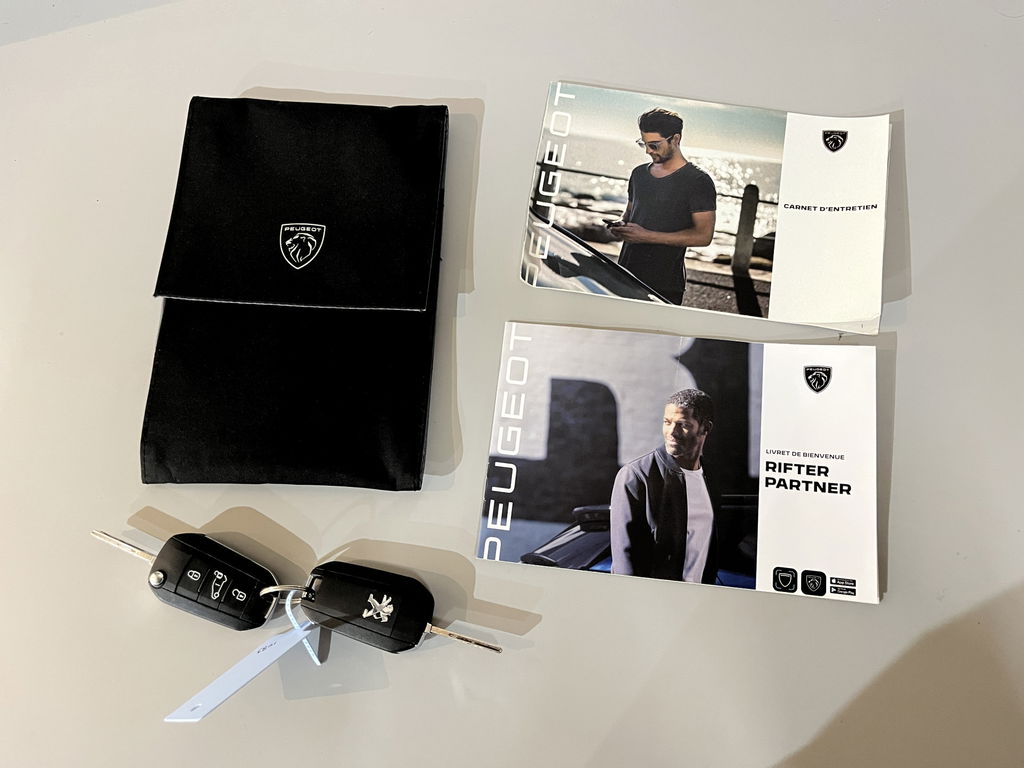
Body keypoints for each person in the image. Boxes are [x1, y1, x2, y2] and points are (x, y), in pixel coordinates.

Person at [607, 108, 717, 305]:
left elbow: (703, 236)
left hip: (664, 285)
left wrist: (646, 236)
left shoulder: (698, 181)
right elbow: (630, 213)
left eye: (654, 145)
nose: (648, 150)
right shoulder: (638, 174)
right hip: (624, 275)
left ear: (675, 139)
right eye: (644, 144)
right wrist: (621, 225)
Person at [610, 388, 719, 582]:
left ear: (705, 428)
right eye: (667, 422)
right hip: (655, 598)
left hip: (700, 598)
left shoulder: (712, 479)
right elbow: (624, 563)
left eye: (683, 424)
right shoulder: (637, 476)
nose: (672, 432)